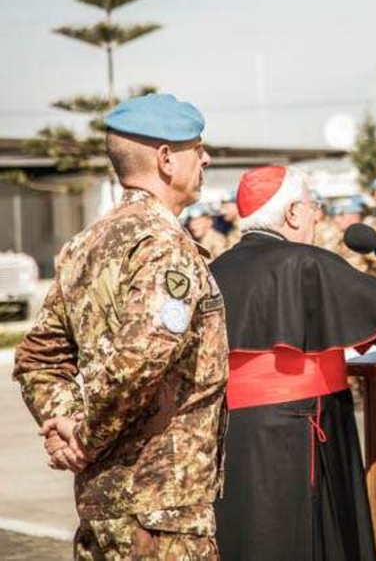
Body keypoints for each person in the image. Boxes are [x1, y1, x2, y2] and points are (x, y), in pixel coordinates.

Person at [210, 165, 376, 560]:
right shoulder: (305, 262)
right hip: (298, 428)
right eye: (311, 205)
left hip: (233, 432)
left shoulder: (215, 268)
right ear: (292, 214)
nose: (317, 215)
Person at [13, 93, 228, 558]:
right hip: (160, 513)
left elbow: (38, 358)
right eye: (197, 146)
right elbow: (140, 358)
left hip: (107, 508)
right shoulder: (166, 247)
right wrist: (82, 436)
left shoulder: (84, 245)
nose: (207, 157)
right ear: (167, 159)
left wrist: (63, 426)